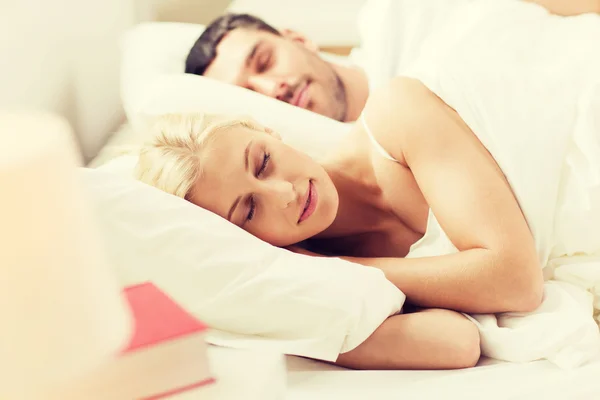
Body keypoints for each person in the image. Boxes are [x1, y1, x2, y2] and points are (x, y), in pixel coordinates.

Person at [184, 0, 600, 122]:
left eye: (263, 61)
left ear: (297, 38)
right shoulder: (351, 181)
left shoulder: (397, 16)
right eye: (249, 95)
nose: (272, 87)